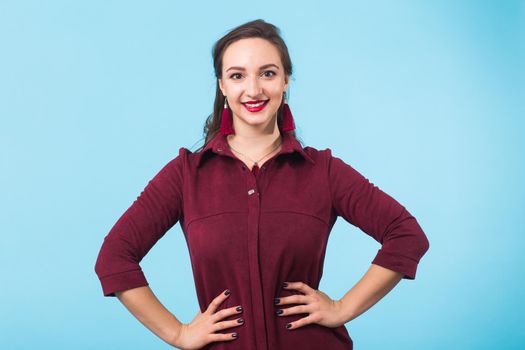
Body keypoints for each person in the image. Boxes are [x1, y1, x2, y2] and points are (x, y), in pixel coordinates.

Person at [94, 19, 430, 350]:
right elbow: (114, 258)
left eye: (267, 73)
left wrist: (342, 308)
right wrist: (178, 334)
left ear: (285, 81)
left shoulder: (323, 171)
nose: (253, 90)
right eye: (237, 75)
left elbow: (406, 235)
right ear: (222, 86)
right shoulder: (186, 174)